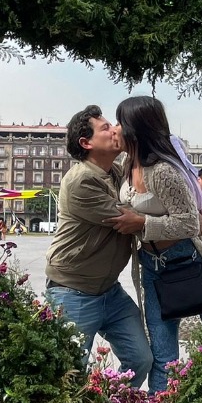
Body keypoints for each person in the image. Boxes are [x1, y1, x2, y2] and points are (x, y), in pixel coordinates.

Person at [108, 96, 202, 393]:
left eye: (118, 122)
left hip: (189, 260)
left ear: (135, 129)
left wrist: (141, 224)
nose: (115, 129)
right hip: (152, 267)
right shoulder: (128, 164)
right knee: (163, 353)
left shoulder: (162, 172)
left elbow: (189, 222)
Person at [44, 105, 153, 388]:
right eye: (106, 128)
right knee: (69, 374)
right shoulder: (81, 180)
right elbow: (127, 218)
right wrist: (178, 218)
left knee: (140, 359)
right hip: (72, 292)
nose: (115, 129)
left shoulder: (116, 172)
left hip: (109, 291)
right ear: (86, 143)